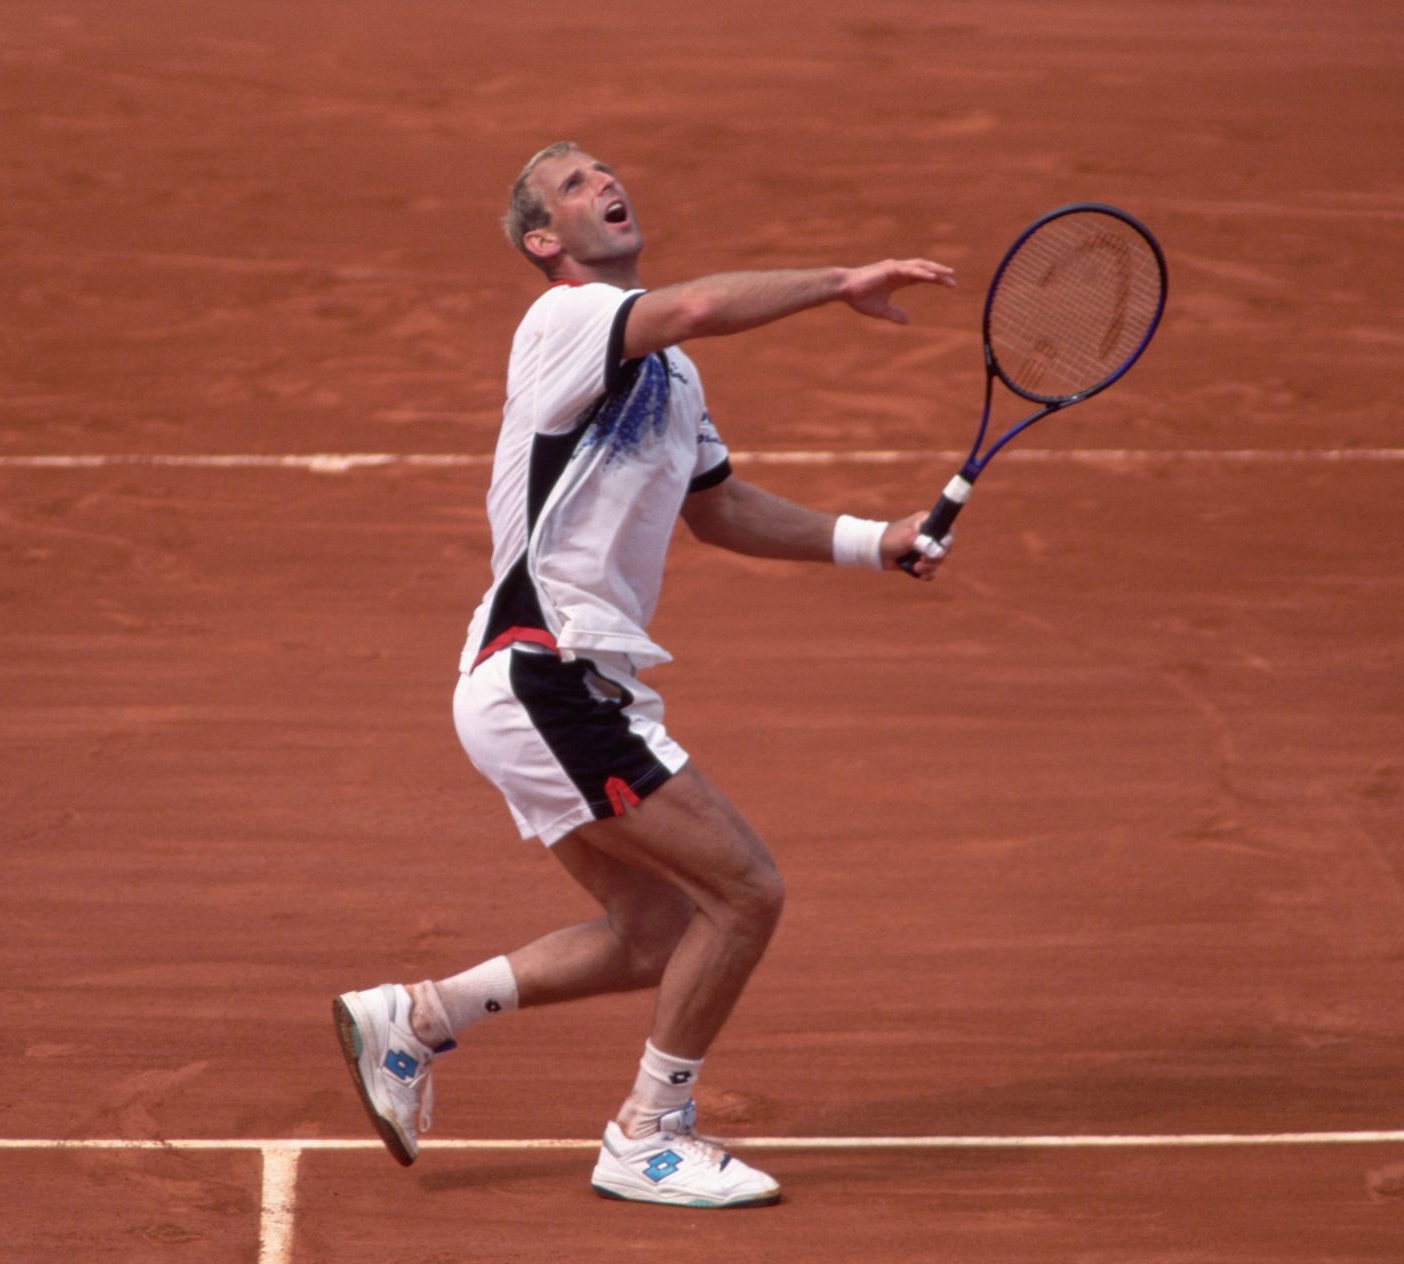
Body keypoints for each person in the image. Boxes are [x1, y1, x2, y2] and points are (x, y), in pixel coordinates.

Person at [334, 141, 956, 1209]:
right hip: (548, 676)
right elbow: (705, 303)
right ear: (545, 241)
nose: (605, 187)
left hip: (552, 684)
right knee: (746, 890)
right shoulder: (567, 321)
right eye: (574, 185)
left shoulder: (666, 370)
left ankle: (417, 1018)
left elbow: (716, 509)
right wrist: (842, 281)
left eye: (604, 174)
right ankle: (649, 1133)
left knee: (657, 933)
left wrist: (869, 538)